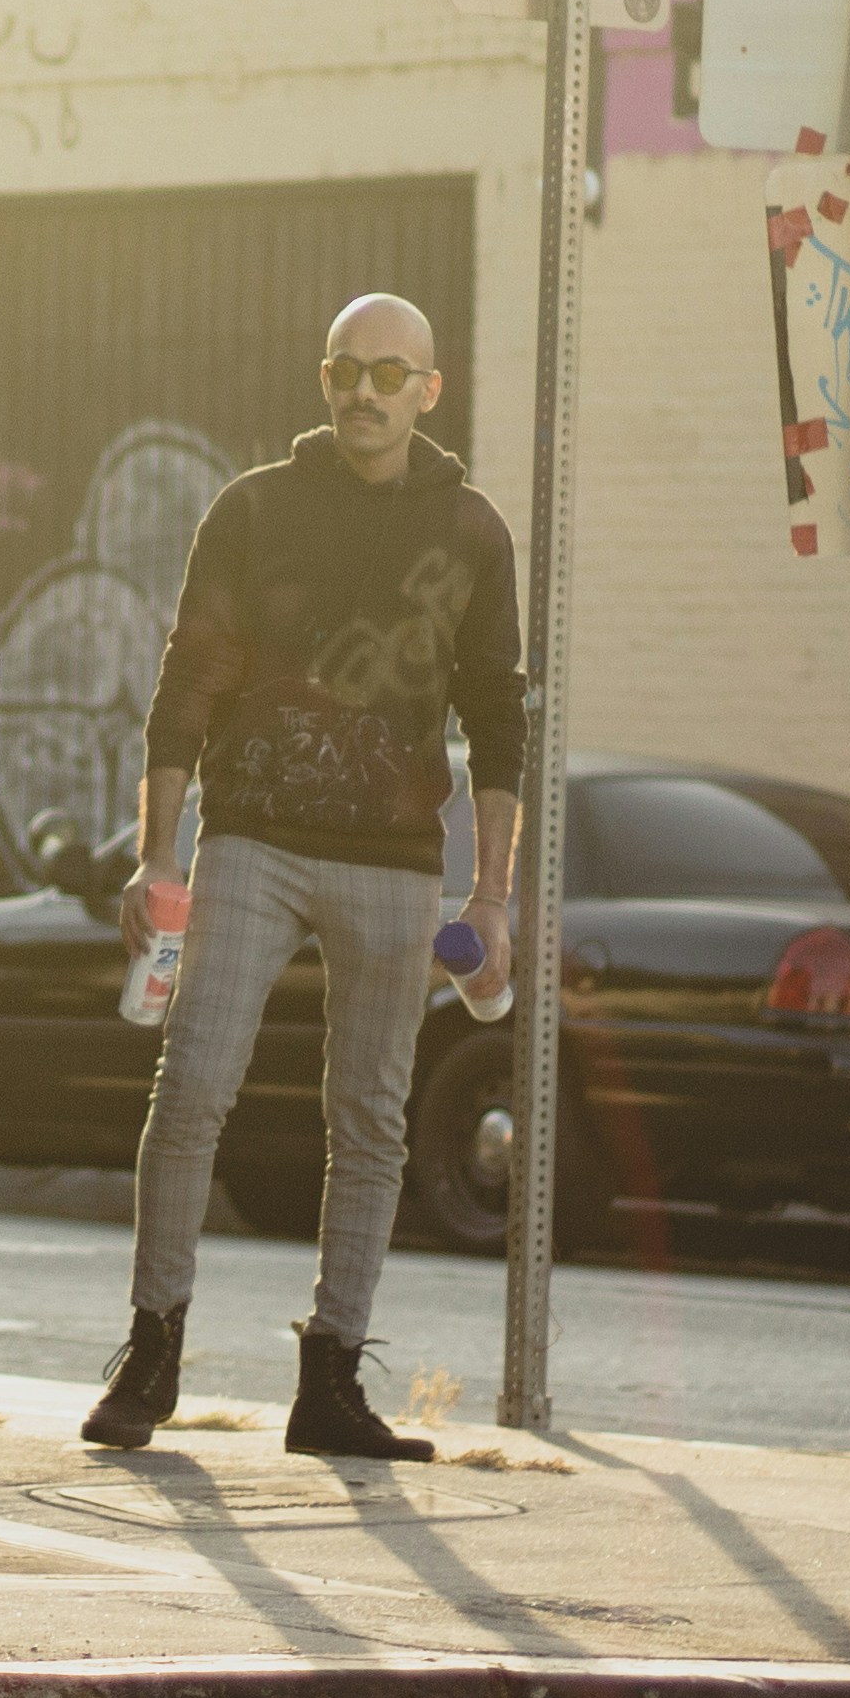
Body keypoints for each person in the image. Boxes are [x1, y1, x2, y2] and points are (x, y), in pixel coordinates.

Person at [81, 292, 523, 1460]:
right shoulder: (254, 508)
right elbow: (190, 682)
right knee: (192, 1092)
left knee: (372, 1122)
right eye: (344, 370)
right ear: (323, 381)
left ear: (429, 390)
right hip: (254, 844)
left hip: (394, 862)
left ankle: (330, 1384)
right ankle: (153, 1351)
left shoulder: (472, 532)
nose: (363, 391)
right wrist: (158, 852)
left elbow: (498, 714)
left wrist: (492, 896)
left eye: (389, 373)